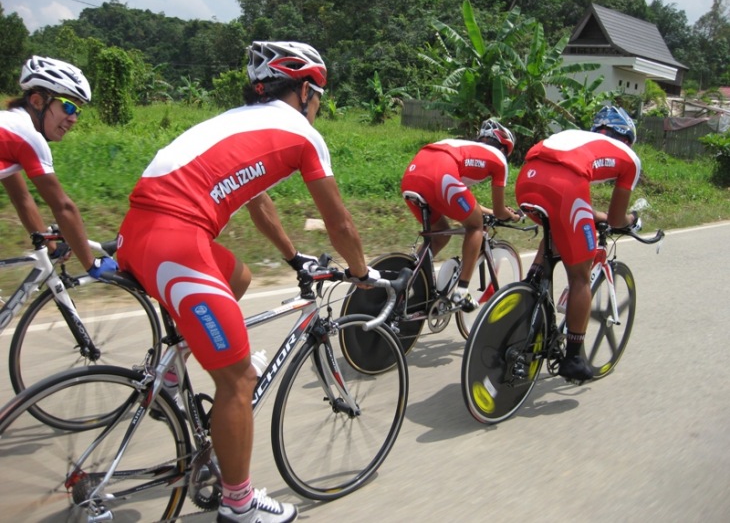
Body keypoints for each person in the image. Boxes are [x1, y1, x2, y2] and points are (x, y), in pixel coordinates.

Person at [116, 41, 376, 523]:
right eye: (319, 95)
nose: (318, 106)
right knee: (238, 380)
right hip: (177, 244)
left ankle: (171, 372)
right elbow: (339, 224)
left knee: (239, 276)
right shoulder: (299, 132)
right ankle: (238, 505)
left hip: (137, 234)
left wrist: (292, 255)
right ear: (304, 90)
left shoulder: (240, 120)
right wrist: (361, 272)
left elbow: (259, 202)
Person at [515, 105, 642, 381]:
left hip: (527, 179)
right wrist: (631, 218)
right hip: (564, 187)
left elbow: (578, 204)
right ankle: (573, 357)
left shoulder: (578, 139)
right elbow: (618, 218)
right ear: (628, 139)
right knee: (580, 276)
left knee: (556, 232)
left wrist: (595, 216)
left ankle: (529, 289)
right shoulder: (629, 158)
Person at [0, 56, 117, 279]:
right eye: (67, 106)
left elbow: (22, 199)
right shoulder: (27, 136)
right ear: (37, 101)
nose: (73, 118)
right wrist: (92, 264)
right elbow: (63, 207)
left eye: (77, 111)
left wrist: (50, 247)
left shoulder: (10, 128)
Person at [400, 119, 522, 311]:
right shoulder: (499, 158)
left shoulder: (465, 147)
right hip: (441, 175)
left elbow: (464, 200)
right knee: (476, 226)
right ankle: (461, 292)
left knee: (440, 233)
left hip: (412, 175)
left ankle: (406, 276)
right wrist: (512, 216)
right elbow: (500, 211)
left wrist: (486, 212)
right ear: (505, 147)